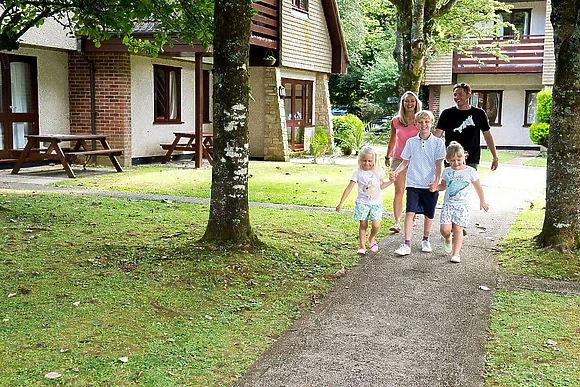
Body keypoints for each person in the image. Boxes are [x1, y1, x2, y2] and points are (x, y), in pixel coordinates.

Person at [390, 110, 446, 256]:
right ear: (415, 124)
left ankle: (425, 240)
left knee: (429, 214)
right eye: (420, 122)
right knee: (410, 212)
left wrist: (436, 181)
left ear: (432, 123)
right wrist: (396, 171)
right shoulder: (411, 142)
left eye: (427, 122)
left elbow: (439, 163)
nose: (423, 125)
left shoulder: (438, 143)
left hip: (429, 185)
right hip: (413, 183)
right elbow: (405, 161)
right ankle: (407, 243)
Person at [431, 141, 489, 263]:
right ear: (447, 160)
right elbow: (443, 186)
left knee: (458, 229)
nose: (456, 163)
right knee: (444, 229)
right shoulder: (446, 172)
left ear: (464, 157)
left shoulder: (470, 171)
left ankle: (456, 254)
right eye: (452, 160)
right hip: (448, 204)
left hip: (463, 205)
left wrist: (482, 201)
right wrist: (435, 187)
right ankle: (448, 238)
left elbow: (478, 187)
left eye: (459, 159)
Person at [336, 146, 393, 255]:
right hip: (362, 203)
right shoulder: (357, 173)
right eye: (364, 161)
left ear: (374, 161)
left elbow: (382, 185)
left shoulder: (378, 172)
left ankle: (371, 238)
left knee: (376, 225)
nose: (367, 163)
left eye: (370, 161)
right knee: (363, 224)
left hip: (376, 203)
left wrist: (391, 181)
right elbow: (349, 188)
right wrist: (341, 203)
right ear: (360, 161)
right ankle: (362, 246)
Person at [434, 82, 499, 171]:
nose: (457, 98)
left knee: (468, 183)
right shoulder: (447, 113)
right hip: (452, 157)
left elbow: (487, 136)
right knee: (451, 184)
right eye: (455, 95)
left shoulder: (479, 114)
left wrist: (495, 157)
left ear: (468, 95)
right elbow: (437, 136)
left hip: (471, 157)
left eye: (460, 94)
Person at [385, 91, 422, 233]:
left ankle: (411, 216)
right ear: (402, 103)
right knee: (399, 189)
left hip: (416, 159)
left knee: (413, 189)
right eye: (407, 101)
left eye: (412, 101)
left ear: (416, 102)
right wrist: (388, 155)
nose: (409, 103)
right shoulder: (396, 120)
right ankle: (397, 222)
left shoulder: (420, 120)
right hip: (399, 158)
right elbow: (393, 139)